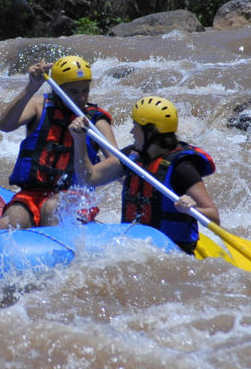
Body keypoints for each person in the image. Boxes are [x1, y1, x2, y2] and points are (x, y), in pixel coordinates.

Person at [69, 96, 219, 255]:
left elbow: (213, 216)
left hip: (171, 253)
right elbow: (89, 178)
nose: (131, 132)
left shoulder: (182, 167)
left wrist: (191, 208)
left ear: (151, 132)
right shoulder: (132, 155)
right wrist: (79, 140)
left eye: (136, 127)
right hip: (134, 247)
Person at [0, 55, 117, 229]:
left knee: (52, 208)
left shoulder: (96, 121)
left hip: (77, 197)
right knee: (9, 221)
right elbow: (5, 125)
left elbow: (117, 164)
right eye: (73, 92)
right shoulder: (39, 106)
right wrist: (31, 88)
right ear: (58, 90)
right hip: (32, 194)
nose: (81, 98)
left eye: (85, 90)